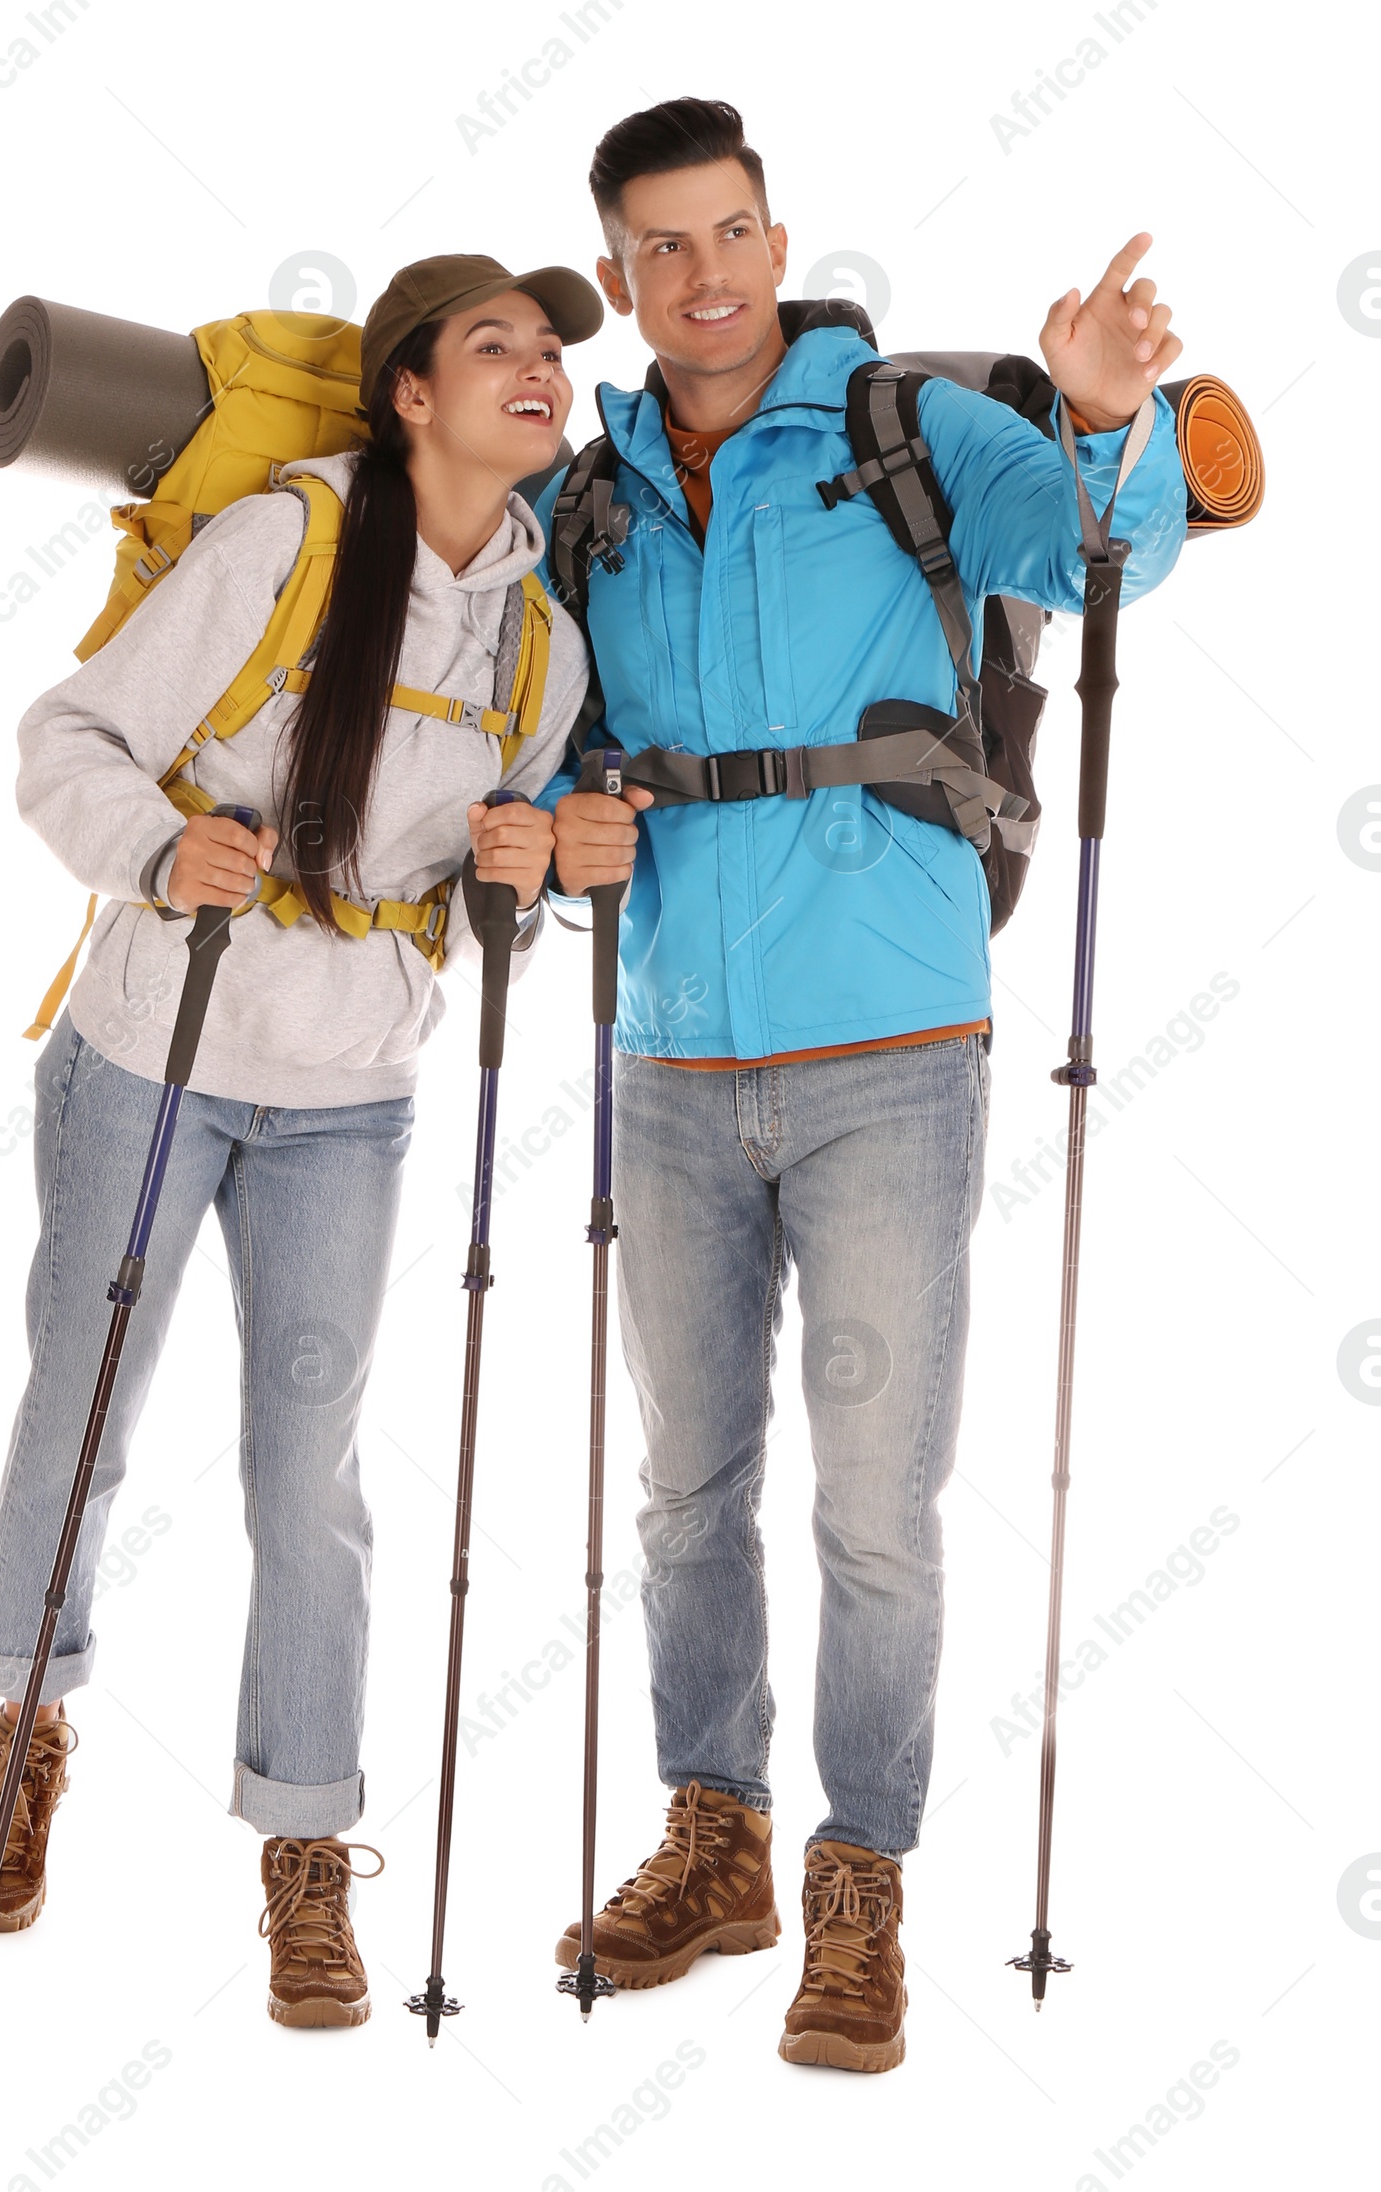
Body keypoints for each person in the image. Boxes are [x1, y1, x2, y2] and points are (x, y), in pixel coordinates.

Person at [537, 98, 1187, 2072]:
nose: (699, 275)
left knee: (876, 1509)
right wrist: (560, 815)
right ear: (618, 279)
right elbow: (549, 738)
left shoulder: (900, 433)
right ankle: (711, 1837)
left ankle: (858, 1881)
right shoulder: (590, 499)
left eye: (723, 232)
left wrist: (1090, 420)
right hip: (663, 1051)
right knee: (681, 1492)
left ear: (771, 230)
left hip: (889, 1048)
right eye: (656, 250)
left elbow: (1100, 564)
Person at [0, 254, 601, 2028]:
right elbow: (63, 739)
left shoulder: (543, 637)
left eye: (552, 355)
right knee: (82, 1411)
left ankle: (304, 1853)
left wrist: (519, 872)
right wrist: (161, 855)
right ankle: (28, 1730)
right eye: (498, 349)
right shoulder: (284, 546)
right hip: (151, 1051)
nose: (539, 372)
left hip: (349, 1103)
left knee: (306, 1481)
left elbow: (496, 879)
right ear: (410, 393)